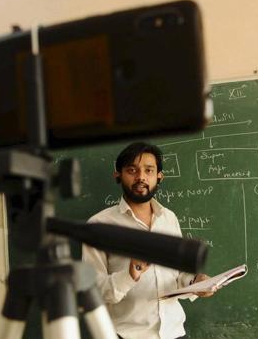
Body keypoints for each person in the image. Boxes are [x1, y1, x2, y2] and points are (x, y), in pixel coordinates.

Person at [82, 142, 215, 339]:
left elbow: (176, 276)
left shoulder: (169, 218)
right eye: (132, 170)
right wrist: (130, 275)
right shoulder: (99, 225)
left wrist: (196, 282)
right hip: (126, 335)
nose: (141, 177)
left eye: (149, 170)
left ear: (159, 176)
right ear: (118, 175)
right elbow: (94, 293)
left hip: (174, 332)